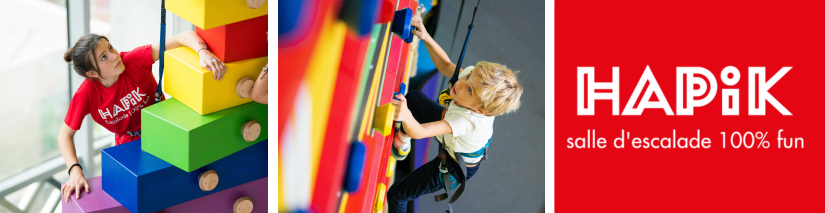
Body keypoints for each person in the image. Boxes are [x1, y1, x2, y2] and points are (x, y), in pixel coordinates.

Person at [58, 31, 226, 203]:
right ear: (92, 74)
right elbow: (65, 135)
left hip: (166, 129)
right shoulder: (87, 94)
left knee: (188, 185)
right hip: (129, 147)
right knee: (143, 198)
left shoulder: (133, 60)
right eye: (103, 57)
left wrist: (203, 53)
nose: (114, 55)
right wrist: (75, 171)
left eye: (110, 47)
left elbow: (184, 37)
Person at [386, 15, 523, 213]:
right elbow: (444, 65)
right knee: (414, 99)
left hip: (453, 166)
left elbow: (420, 131)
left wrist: (406, 115)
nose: (461, 83)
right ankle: (401, 144)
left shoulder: (466, 121)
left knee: (398, 194)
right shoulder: (472, 81)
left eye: (469, 90)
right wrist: (425, 37)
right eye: (467, 77)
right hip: (453, 136)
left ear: (480, 110)